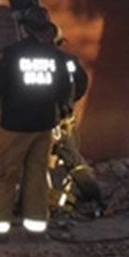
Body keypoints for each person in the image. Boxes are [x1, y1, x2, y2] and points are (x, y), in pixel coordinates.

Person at [0, 6, 74, 242]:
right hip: (43, 126)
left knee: (4, 175)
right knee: (37, 176)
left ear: (24, 29)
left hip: (15, 127)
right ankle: (36, 228)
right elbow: (65, 89)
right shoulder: (56, 57)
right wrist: (63, 114)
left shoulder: (10, 54)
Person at [48, 25, 105, 216]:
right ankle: (93, 196)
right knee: (73, 159)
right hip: (63, 119)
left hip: (41, 121)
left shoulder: (33, 59)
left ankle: (28, 204)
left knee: (32, 162)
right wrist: (69, 104)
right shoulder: (69, 61)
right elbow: (82, 84)